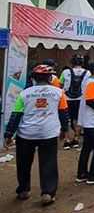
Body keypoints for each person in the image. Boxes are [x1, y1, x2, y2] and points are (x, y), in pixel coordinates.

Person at [4, 64, 69, 205]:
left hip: (26, 134)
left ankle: (23, 190)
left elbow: (16, 115)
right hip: (49, 133)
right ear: (49, 78)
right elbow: (63, 113)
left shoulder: (24, 93)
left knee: (23, 163)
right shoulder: (58, 93)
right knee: (48, 162)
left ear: (34, 78)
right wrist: (65, 130)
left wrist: (8, 134)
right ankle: (48, 192)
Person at [61, 54, 91, 149]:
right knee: (78, 119)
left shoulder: (65, 72)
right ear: (82, 63)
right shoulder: (87, 73)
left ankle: (68, 140)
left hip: (67, 99)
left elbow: (60, 84)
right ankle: (76, 139)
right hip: (81, 99)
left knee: (68, 119)